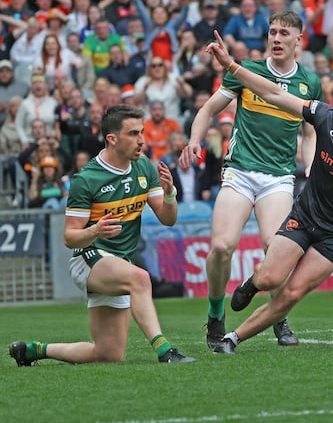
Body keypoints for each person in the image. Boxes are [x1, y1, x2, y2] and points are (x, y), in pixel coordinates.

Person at [203, 32, 333, 353]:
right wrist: (232, 67)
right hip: (305, 214)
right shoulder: (327, 117)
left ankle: (232, 338)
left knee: (292, 293)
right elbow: (273, 93)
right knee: (270, 279)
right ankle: (252, 284)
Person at [9, 105, 195, 366]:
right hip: (88, 258)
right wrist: (95, 230)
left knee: (107, 354)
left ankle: (33, 350)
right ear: (112, 139)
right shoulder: (86, 179)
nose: (142, 140)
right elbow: (70, 237)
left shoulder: (144, 167)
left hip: (120, 264)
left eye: (141, 132)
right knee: (141, 278)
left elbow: (168, 218)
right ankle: (166, 351)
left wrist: (169, 194)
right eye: (133, 133)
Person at [179, 11, 321, 352]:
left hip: (278, 178)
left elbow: (310, 130)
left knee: (277, 250)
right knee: (222, 246)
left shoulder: (309, 82)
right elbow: (208, 110)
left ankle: (277, 316)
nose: (276, 38)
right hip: (240, 171)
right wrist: (195, 139)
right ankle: (215, 313)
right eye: (272, 32)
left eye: (284, 33)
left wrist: (312, 164)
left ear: (298, 40)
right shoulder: (247, 71)